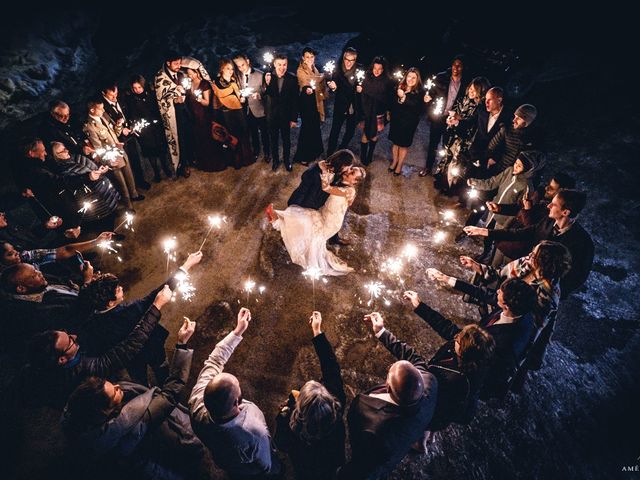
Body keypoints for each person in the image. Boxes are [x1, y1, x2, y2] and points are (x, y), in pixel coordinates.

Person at [60, 318, 205, 479]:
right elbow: (170, 393)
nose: (118, 387)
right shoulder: (132, 424)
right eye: (114, 393)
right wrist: (182, 344)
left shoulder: (79, 418)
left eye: (112, 385)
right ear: (105, 411)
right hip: (174, 443)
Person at [20, 285, 173, 408]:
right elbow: (128, 348)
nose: (75, 337)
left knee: (139, 379)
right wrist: (156, 306)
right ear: (62, 360)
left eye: (68, 333)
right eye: (70, 342)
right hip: (109, 405)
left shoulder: (87, 332)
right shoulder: (88, 371)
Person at [77, 251, 203, 386]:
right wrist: (186, 265)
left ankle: (143, 387)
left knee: (138, 376)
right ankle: (163, 384)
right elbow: (161, 290)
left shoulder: (92, 319)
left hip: (130, 360)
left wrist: (88, 281)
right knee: (161, 367)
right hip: (152, 347)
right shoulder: (131, 310)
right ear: (110, 303)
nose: (121, 288)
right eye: (118, 290)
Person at [338, 312, 438, 479]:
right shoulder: (430, 381)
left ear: (388, 388)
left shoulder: (370, 419)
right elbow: (412, 357)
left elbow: (359, 444)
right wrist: (381, 331)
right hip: (403, 445)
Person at [189, 307, 282, 478]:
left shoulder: (197, 399)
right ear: (235, 403)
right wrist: (271, 470)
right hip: (252, 469)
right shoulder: (252, 432)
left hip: (224, 460)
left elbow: (216, 360)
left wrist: (238, 331)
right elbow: (264, 460)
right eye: (238, 387)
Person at [407, 278, 536, 399]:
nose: (496, 291)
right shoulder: (521, 312)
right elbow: (482, 293)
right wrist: (448, 279)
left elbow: (455, 334)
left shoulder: (500, 344)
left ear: (506, 306)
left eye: (500, 292)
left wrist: (420, 307)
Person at [464, 189, 594, 298]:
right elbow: (522, 233)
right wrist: (485, 231)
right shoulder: (548, 222)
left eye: (553, 205)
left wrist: (548, 293)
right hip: (522, 277)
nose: (548, 206)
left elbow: (576, 278)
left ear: (565, 212)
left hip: (536, 295)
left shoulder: (583, 244)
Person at [403, 291, 495, 431]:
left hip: (436, 410)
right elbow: (445, 326)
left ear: (462, 351)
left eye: (458, 339)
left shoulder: (457, 381)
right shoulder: (472, 352)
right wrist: (419, 305)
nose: (456, 336)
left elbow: (443, 409)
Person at [274, 311, 346, 480]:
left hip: (304, 468)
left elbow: (280, 443)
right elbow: (330, 365)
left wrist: (284, 411)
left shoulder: (290, 424)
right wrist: (317, 331)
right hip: (329, 467)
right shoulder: (337, 401)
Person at [267, 164, 366, 276]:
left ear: (355, 182)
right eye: (351, 169)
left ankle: (278, 221)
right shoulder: (340, 180)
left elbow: (326, 188)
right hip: (323, 213)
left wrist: (323, 171)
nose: (349, 171)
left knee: (309, 232)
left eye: (352, 173)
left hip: (331, 222)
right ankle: (277, 218)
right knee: (302, 216)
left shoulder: (350, 191)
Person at [12, 138, 105, 239]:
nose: (46, 153)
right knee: (75, 235)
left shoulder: (41, 163)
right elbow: (60, 182)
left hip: (66, 204)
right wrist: (88, 177)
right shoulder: (34, 172)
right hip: (60, 212)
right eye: (42, 151)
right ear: (31, 153)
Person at [488, 172, 576, 266]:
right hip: (506, 240)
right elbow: (519, 207)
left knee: (505, 275)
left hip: (516, 250)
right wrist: (500, 208)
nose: (546, 188)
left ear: (561, 192)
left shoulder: (554, 213)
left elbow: (533, 231)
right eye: (548, 185)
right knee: (491, 267)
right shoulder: (538, 196)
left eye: (551, 188)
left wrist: (528, 210)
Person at [83, 99, 143, 211]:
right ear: (92, 110)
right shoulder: (90, 127)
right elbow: (98, 147)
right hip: (111, 157)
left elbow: (115, 132)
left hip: (119, 150)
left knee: (129, 174)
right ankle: (128, 205)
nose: (103, 110)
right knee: (121, 182)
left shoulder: (103, 117)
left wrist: (119, 125)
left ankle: (134, 194)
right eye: (100, 108)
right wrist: (108, 160)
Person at [435, 76, 491, 192]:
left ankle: (451, 187)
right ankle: (442, 179)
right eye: (470, 88)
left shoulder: (480, 109)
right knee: (447, 157)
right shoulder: (462, 99)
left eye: (474, 90)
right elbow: (455, 111)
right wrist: (451, 120)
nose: (471, 92)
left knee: (457, 164)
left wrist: (458, 122)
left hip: (465, 141)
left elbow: (471, 125)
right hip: (453, 135)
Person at [286, 149, 355, 246]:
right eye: (347, 168)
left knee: (331, 218)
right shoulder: (314, 173)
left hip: (322, 203)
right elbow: (302, 191)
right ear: (341, 164)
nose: (347, 171)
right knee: (301, 227)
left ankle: (334, 238)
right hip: (308, 204)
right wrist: (294, 207)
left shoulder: (337, 171)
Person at [50, 141, 120, 232]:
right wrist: (89, 177)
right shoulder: (62, 170)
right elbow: (72, 184)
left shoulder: (76, 156)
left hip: (106, 192)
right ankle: (111, 237)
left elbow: (94, 167)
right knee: (105, 225)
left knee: (112, 214)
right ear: (56, 155)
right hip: (96, 201)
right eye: (62, 151)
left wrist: (106, 166)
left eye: (65, 148)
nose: (66, 150)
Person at [154, 52, 199, 178]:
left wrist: (184, 95)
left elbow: (185, 89)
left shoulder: (180, 74)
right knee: (180, 139)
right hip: (173, 113)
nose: (178, 66)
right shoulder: (160, 78)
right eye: (175, 63)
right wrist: (173, 100)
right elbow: (161, 97)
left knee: (189, 135)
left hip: (185, 111)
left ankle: (192, 158)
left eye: (179, 63)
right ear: (168, 63)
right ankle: (183, 165)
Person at [421, 55, 466, 177]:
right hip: (439, 116)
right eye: (454, 64)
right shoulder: (442, 77)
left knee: (448, 146)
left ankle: (442, 171)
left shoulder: (465, 83)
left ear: (463, 67)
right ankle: (428, 167)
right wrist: (428, 100)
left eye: (459, 65)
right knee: (433, 143)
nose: (455, 68)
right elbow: (431, 93)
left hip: (452, 119)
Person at [122, 74, 174, 181]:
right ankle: (157, 174)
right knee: (150, 152)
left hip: (156, 127)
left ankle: (167, 169)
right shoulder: (131, 100)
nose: (137, 90)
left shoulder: (151, 95)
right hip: (144, 130)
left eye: (139, 87)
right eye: (135, 88)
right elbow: (131, 115)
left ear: (143, 85)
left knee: (161, 150)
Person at [101, 83, 151, 190]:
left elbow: (129, 113)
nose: (115, 97)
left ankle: (140, 181)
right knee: (126, 164)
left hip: (130, 135)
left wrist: (131, 125)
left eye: (116, 94)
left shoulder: (122, 99)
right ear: (104, 94)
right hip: (118, 140)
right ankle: (132, 187)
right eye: (111, 95)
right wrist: (120, 129)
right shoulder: (103, 108)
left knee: (136, 159)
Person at [212, 59, 255, 169]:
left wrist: (242, 98)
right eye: (228, 68)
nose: (231, 71)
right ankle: (236, 161)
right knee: (231, 136)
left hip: (238, 110)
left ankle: (246, 158)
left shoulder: (233, 81)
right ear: (222, 69)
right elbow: (217, 99)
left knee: (243, 133)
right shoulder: (216, 82)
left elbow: (239, 96)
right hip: (226, 113)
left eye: (232, 68)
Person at [183, 67, 225, 172]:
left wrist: (200, 99)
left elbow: (207, 103)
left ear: (197, 72)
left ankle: (214, 163)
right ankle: (203, 163)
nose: (190, 76)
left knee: (208, 139)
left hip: (204, 116)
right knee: (199, 140)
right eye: (188, 75)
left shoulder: (204, 84)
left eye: (191, 74)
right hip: (194, 117)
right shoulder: (189, 85)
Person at [264, 53, 299, 172]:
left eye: (284, 64)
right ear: (274, 64)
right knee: (273, 140)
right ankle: (275, 161)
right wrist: (266, 84)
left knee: (286, 140)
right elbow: (265, 94)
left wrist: (294, 119)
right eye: (279, 64)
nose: (282, 67)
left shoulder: (292, 79)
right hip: (272, 116)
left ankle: (287, 161)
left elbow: (295, 101)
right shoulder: (268, 77)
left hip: (285, 116)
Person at [233, 53, 270, 163]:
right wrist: (241, 97)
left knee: (264, 133)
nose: (241, 68)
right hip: (247, 111)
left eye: (243, 65)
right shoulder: (238, 76)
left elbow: (267, 93)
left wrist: (260, 96)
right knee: (253, 133)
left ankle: (267, 152)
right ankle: (256, 151)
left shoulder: (260, 75)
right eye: (238, 66)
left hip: (260, 109)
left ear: (248, 61)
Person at [388, 68, 425, 176]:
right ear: (406, 76)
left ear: (417, 79)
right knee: (395, 143)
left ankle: (399, 165)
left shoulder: (420, 92)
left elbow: (419, 108)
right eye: (409, 76)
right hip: (396, 120)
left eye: (414, 77)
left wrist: (404, 97)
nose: (411, 79)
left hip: (409, 123)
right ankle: (394, 161)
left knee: (403, 145)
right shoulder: (399, 86)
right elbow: (392, 101)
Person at [326, 47, 363, 155]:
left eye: (352, 60)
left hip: (353, 106)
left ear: (355, 60)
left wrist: (360, 90)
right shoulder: (337, 70)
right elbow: (332, 87)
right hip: (341, 106)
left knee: (350, 131)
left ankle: (342, 148)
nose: (349, 62)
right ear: (343, 58)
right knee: (335, 130)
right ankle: (330, 153)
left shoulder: (359, 70)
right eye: (347, 59)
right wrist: (333, 88)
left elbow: (363, 84)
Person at [358, 56, 394, 165]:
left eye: (379, 69)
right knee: (365, 133)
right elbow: (362, 95)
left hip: (379, 113)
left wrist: (388, 111)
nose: (377, 71)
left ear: (383, 70)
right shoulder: (366, 78)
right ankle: (363, 155)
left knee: (374, 135)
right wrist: (360, 90)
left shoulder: (387, 81)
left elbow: (388, 98)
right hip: (366, 112)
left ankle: (370, 154)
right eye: (375, 68)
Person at [294, 47, 325, 165]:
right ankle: (303, 156)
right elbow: (308, 81)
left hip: (315, 101)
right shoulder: (300, 70)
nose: (310, 59)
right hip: (306, 103)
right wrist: (322, 77)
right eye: (307, 57)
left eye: (312, 57)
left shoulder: (314, 68)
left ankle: (314, 152)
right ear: (303, 58)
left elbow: (316, 82)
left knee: (315, 127)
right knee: (307, 129)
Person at [486, 103, 538, 175]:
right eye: (515, 116)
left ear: (526, 122)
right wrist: (492, 157)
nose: (514, 120)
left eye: (518, 118)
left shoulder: (532, 139)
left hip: (513, 175)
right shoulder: (506, 130)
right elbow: (492, 145)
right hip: (498, 168)